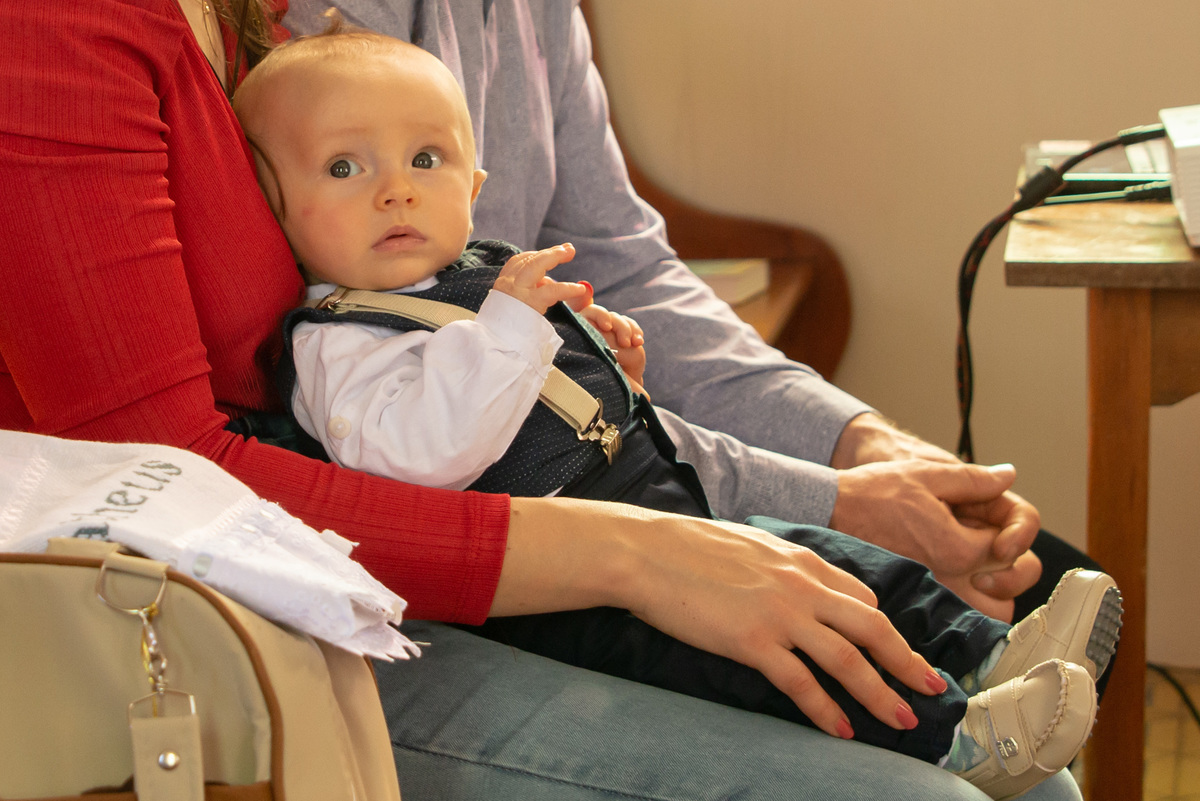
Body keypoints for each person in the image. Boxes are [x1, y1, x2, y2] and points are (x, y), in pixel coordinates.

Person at [0, 1, 1089, 799]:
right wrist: (635, 555)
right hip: (238, 620)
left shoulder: (256, 24)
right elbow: (174, 473)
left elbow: (605, 286)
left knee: (1036, 772)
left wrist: (846, 475)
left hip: (412, 547)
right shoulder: (83, 34)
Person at [281, 0, 1109, 628]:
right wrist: (841, 499)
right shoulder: (325, 46)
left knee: (1043, 593)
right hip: (501, 528)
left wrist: (866, 446)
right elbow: (460, 408)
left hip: (619, 458)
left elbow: (621, 265)